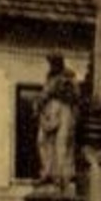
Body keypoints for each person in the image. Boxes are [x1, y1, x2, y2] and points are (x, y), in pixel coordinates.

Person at [35, 54, 80, 186]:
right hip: (49, 112)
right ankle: (47, 171)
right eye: (50, 63)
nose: (51, 66)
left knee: (62, 143)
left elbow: (75, 95)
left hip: (63, 110)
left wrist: (62, 89)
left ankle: (61, 175)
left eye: (53, 63)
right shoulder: (49, 78)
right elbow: (45, 94)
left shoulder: (69, 77)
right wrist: (39, 104)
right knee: (42, 141)